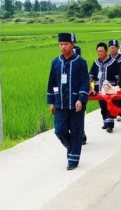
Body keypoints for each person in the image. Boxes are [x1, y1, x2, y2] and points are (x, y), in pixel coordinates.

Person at [47, 33, 89, 170]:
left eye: (65, 44)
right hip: (60, 103)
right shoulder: (55, 62)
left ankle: (73, 160)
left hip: (76, 103)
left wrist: (81, 99)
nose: (63, 46)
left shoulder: (80, 62)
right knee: (59, 130)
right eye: (60, 44)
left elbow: (84, 82)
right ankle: (72, 146)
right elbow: (52, 83)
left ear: (72, 45)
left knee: (77, 131)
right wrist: (52, 102)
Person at [89, 42, 119, 133]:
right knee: (103, 107)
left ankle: (110, 125)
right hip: (99, 90)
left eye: (101, 51)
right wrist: (88, 85)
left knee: (109, 105)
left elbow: (118, 77)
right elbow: (91, 76)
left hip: (110, 90)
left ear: (106, 51)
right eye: (98, 51)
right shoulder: (96, 63)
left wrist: (118, 88)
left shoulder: (114, 62)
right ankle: (105, 122)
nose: (99, 53)